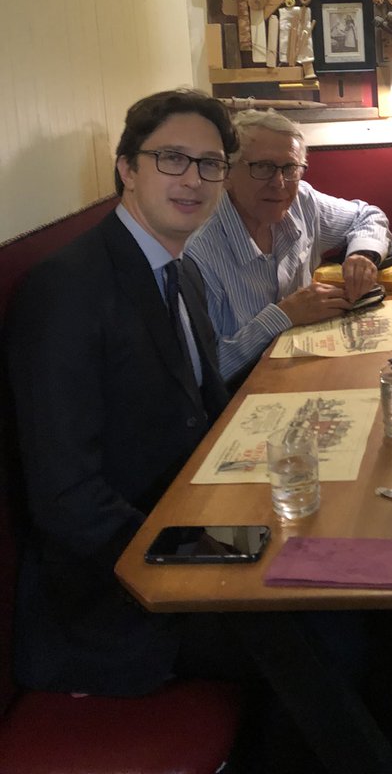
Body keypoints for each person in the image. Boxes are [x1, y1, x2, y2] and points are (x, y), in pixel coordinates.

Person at [4, 88, 239, 695]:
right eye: (171, 158)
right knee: (334, 630)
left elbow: (202, 419)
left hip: (187, 532)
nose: (193, 179)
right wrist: (198, 560)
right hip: (111, 599)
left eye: (210, 164)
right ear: (127, 169)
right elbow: (67, 499)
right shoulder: (66, 289)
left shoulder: (182, 271)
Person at [185, 108, 391, 383]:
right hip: (245, 395)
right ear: (227, 174)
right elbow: (206, 373)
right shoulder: (198, 255)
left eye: (290, 168)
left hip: (307, 369)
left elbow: (368, 215)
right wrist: (283, 316)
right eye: (263, 167)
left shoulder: (303, 201)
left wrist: (363, 255)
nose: (279, 183)